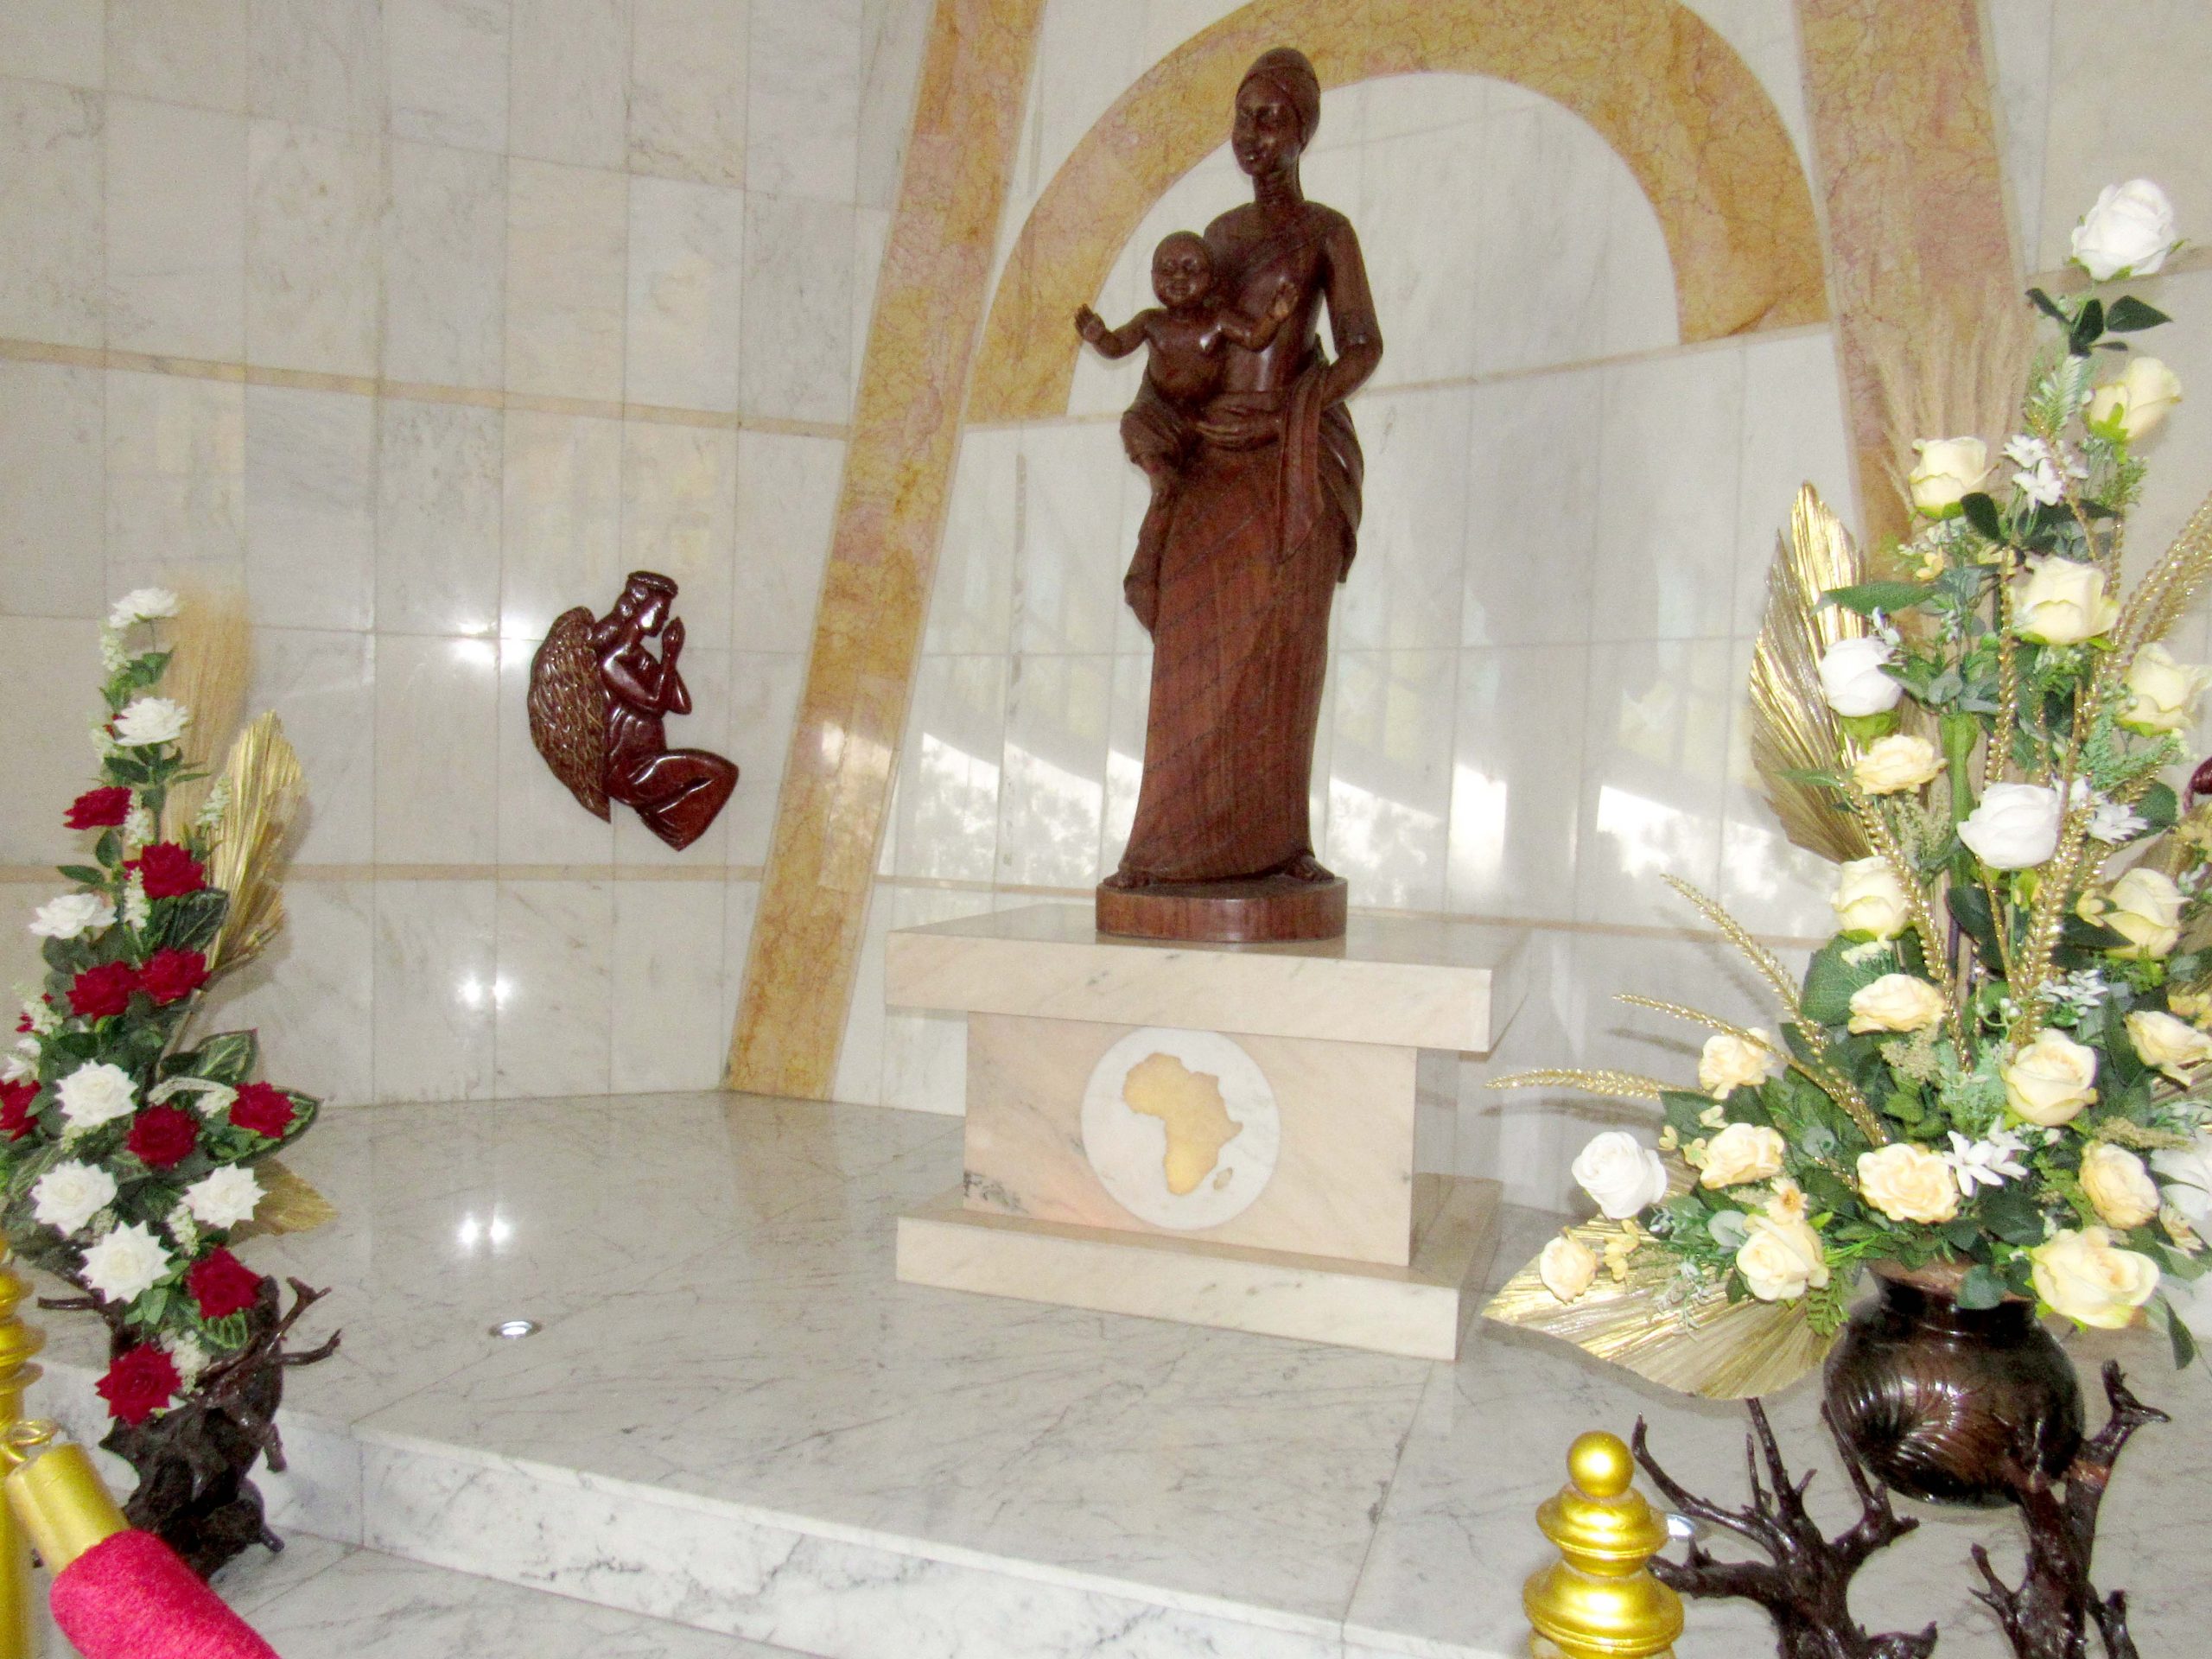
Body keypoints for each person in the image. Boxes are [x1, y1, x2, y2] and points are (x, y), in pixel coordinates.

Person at [1103, 46, 1382, 894]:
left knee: (1283, 652)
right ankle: (1165, 851)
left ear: (1302, 130)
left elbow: (1362, 346)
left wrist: (1302, 403)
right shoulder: (1219, 237)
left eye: (1270, 118)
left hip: (1289, 461)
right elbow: (1188, 346)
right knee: (1193, 651)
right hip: (1214, 457)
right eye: (1242, 117)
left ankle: (1275, 846)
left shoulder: (1326, 232)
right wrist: (1155, 415)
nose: (1251, 134)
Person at [1077, 232, 1299, 628]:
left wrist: (1275, 316)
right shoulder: (1151, 322)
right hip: (1156, 414)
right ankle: (1154, 510)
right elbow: (1118, 345)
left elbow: (1254, 338)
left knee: (1196, 485)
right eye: (1166, 270)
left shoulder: (1218, 320)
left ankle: (1166, 562)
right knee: (1148, 454)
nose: (1177, 279)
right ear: (1152, 277)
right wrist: (1099, 336)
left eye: (1190, 269)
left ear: (1211, 279)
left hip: (1195, 422)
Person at [592, 573, 737, 851]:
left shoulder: (641, 658)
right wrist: (670, 656)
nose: (664, 618)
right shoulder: (612, 662)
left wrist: (664, 660)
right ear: (638, 607)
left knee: (723, 775)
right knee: (722, 774)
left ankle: (667, 826)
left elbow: (681, 704)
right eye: (660, 610)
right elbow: (656, 704)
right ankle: (670, 831)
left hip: (649, 760)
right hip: (628, 770)